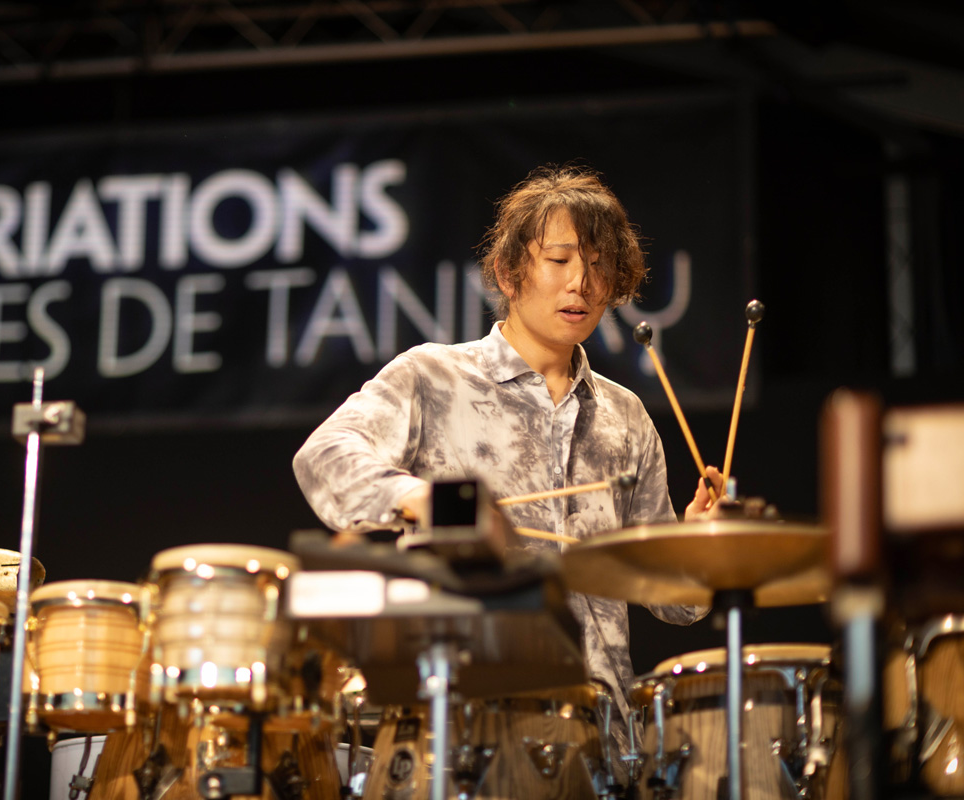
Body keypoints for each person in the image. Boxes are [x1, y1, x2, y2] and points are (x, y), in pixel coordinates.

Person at [292, 165, 721, 769]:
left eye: (598, 265)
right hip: (459, 726)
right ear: (508, 272)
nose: (581, 282)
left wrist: (701, 547)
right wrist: (419, 498)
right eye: (559, 259)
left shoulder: (626, 415)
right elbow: (324, 455)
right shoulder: (432, 376)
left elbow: (674, 601)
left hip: (600, 739)